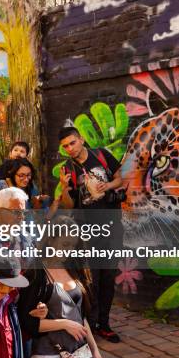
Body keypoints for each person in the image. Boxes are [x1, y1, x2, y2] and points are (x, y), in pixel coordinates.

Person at [57, 126, 124, 343]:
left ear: (81, 139)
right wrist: (64, 188)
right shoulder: (68, 168)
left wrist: (108, 186)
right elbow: (67, 206)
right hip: (88, 231)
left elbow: (120, 178)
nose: (70, 148)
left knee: (108, 277)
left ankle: (104, 324)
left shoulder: (102, 155)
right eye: (65, 146)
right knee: (90, 279)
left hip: (112, 226)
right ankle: (89, 323)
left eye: (72, 143)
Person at [18, 216, 104, 358]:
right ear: (51, 241)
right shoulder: (36, 274)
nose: (69, 250)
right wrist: (64, 324)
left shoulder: (73, 269)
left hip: (79, 353)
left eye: (72, 246)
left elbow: (81, 316)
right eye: (65, 244)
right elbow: (28, 322)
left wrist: (94, 350)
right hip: (48, 355)